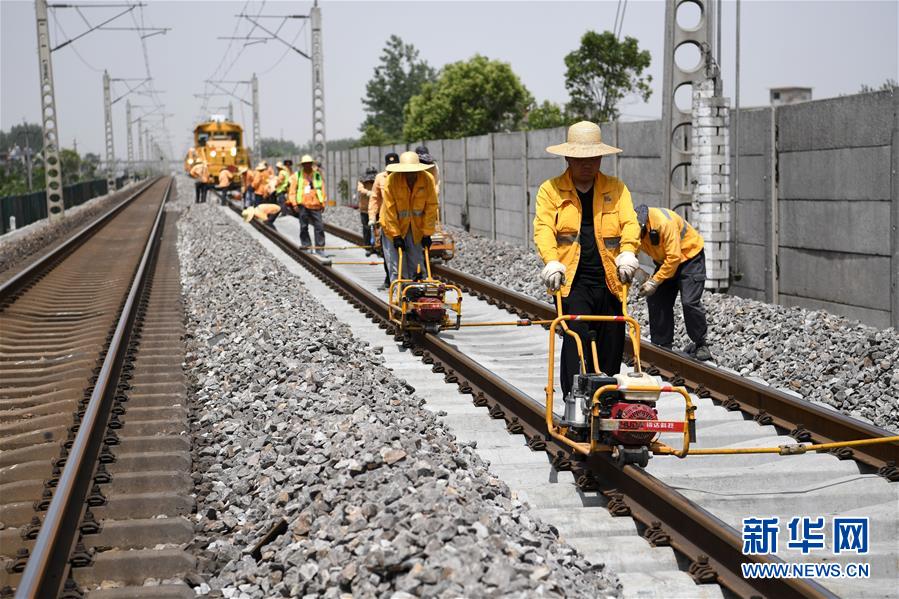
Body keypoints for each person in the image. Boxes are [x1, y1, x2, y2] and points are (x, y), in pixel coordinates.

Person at [533, 121, 641, 397]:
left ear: (600, 158)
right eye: (581, 158)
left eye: (593, 158)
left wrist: (628, 252)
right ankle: (574, 398)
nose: (587, 164)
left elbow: (630, 222)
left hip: (609, 280)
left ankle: (604, 399)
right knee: (577, 337)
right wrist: (551, 261)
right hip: (572, 280)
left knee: (612, 340)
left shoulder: (615, 188)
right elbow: (544, 228)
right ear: (568, 157)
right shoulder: (551, 190)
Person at [635, 204, 712, 361]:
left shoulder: (664, 223)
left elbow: (674, 257)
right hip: (666, 261)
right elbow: (630, 249)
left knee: (689, 302)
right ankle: (662, 345)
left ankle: (701, 344)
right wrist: (637, 271)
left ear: (645, 225)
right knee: (657, 299)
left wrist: (654, 282)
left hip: (689, 257)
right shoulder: (633, 228)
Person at [381, 151, 438, 282]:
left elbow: (431, 207)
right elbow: (390, 210)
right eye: (407, 171)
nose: (410, 174)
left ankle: (418, 290)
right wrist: (396, 236)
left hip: (415, 228)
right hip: (392, 227)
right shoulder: (392, 180)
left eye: (413, 171)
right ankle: (399, 293)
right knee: (397, 264)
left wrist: (427, 234)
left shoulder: (427, 179)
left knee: (417, 262)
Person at [369, 153, 400, 288]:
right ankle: (390, 280)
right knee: (388, 254)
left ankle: (406, 283)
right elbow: (375, 198)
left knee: (406, 253)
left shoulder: (403, 176)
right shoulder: (380, 178)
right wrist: (372, 217)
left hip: (404, 221)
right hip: (386, 221)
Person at [288, 154, 328, 253]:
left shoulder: (317, 175)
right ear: (302, 165)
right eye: (305, 164)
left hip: (316, 204)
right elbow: (292, 191)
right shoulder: (297, 176)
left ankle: (319, 248)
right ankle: (306, 245)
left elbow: (322, 189)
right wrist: (294, 204)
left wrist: (323, 202)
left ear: (311, 164)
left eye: (309, 164)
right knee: (303, 226)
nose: (307, 166)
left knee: (319, 227)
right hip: (303, 205)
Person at [357, 166, 378, 252]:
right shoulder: (362, 181)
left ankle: (377, 246)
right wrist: (368, 192)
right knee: (366, 228)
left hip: (376, 209)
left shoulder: (377, 180)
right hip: (364, 209)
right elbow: (360, 189)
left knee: (377, 228)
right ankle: (368, 247)